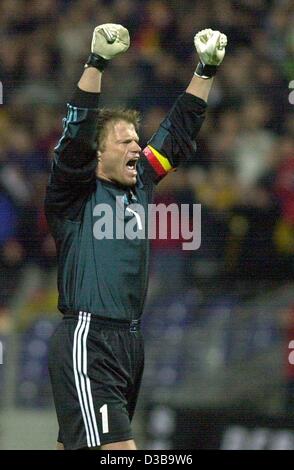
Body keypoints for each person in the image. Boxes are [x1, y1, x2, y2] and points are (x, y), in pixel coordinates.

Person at [45, 23, 227, 450]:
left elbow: (177, 133)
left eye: (136, 140)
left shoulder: (141, 180)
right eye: (124, 141)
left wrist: (206, 69)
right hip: (88, 337)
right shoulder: (74, 193)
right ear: (98, 154)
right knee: (120, 452)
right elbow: (75, 133)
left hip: (129, 340)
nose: (135, 147)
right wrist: (97, 63)